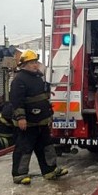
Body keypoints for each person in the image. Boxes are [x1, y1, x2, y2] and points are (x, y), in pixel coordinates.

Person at [9, 49, 68, 185]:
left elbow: (44, 98)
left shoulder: (38, 77)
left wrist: (49, 116)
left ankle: (50, 171)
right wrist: (21, 118)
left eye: (36, 62)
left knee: (46, 147)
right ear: (24, 65)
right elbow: (17, 101)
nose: (35, 65)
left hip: (41, 121)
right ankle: (19, 175)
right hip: (28, 122)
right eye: (32, 63)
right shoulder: (19, 80)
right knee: (24, 149)